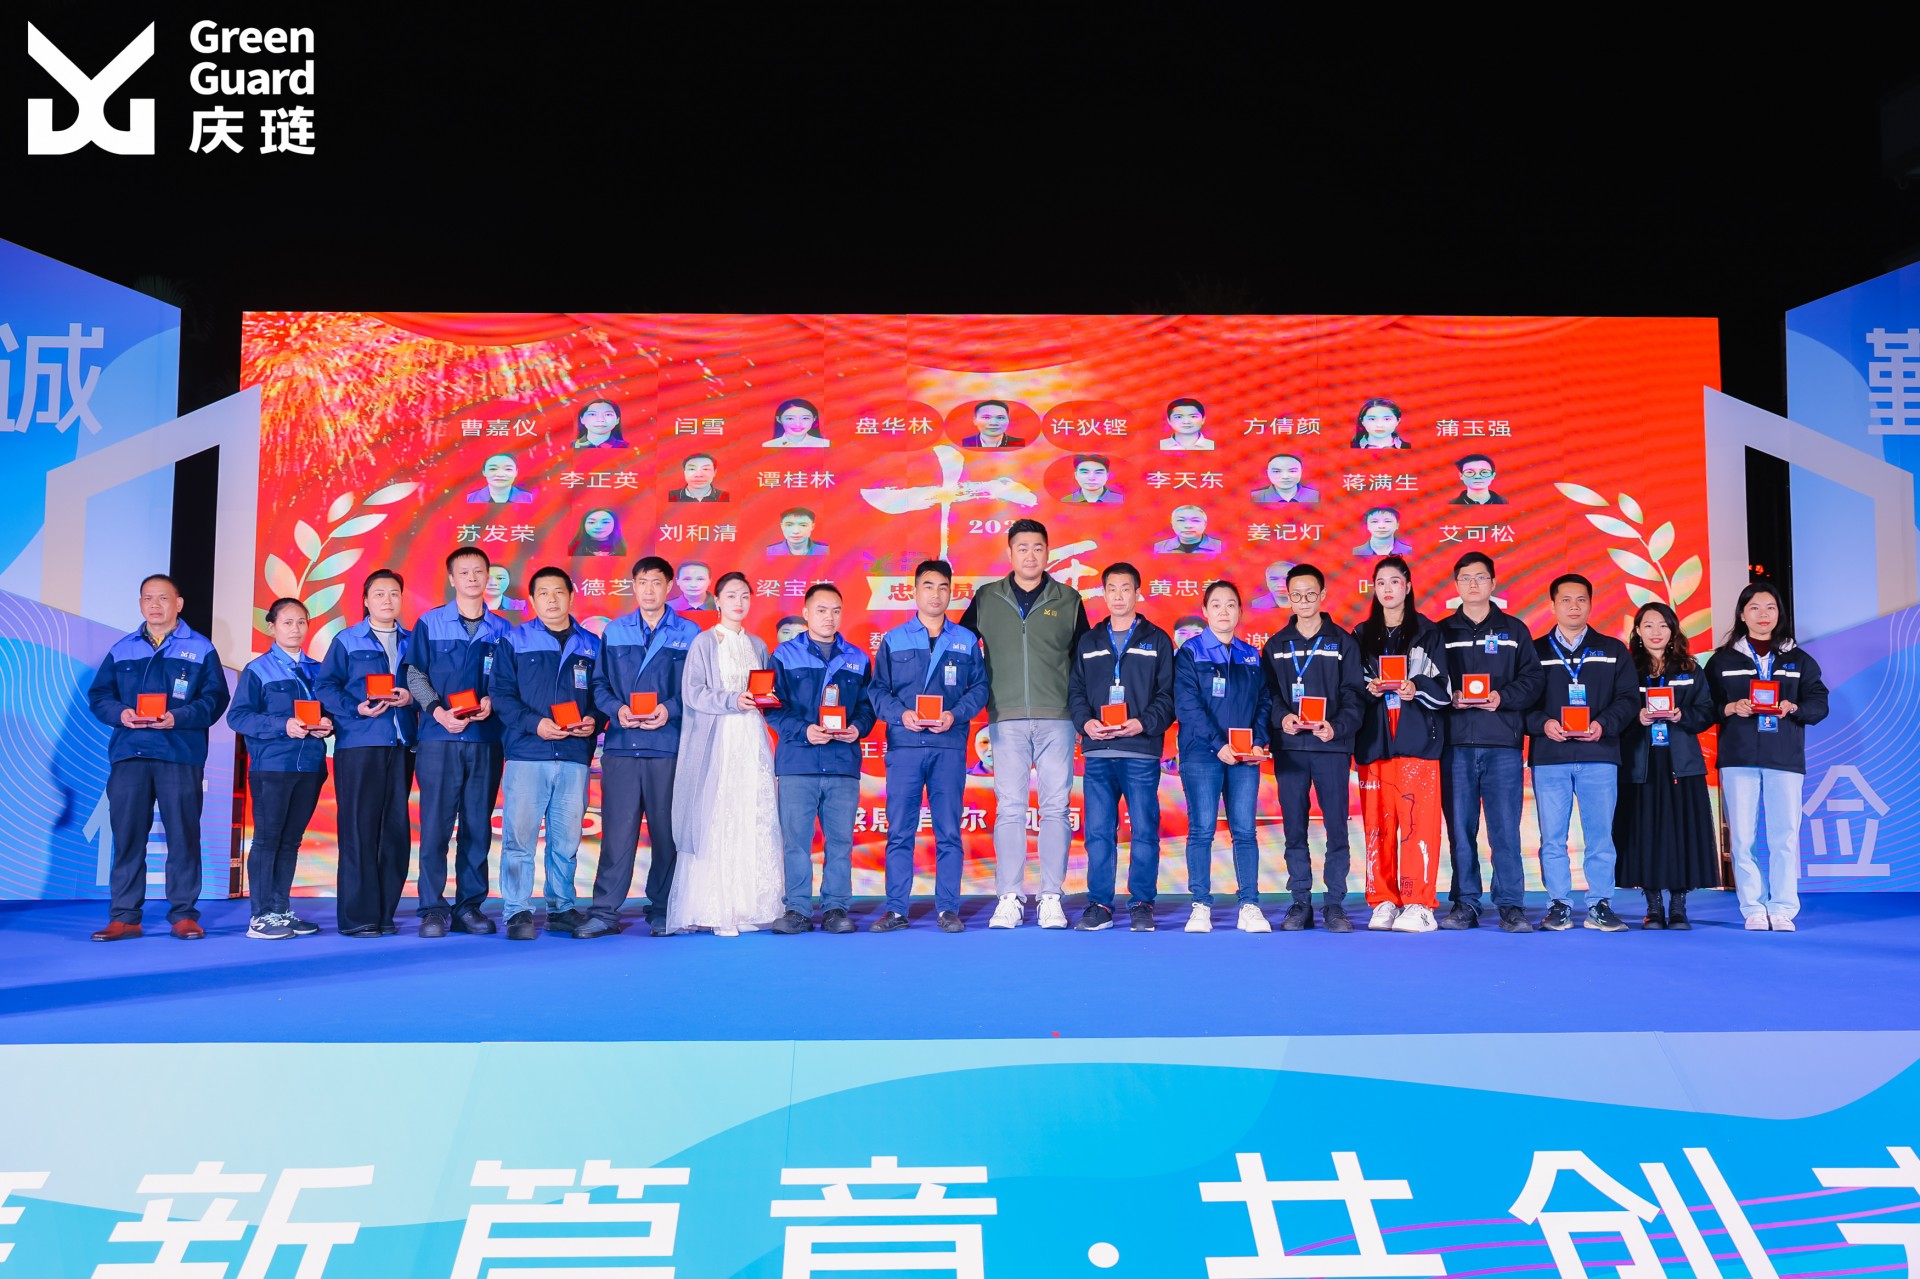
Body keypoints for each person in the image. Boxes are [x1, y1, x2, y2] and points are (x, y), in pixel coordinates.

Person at [960, 518, 1090, 929]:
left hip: (1058, 719)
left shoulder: (1069, 600)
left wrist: (1084, 713)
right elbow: (959, 647)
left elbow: (1085, 663)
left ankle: (1051, 896)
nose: (1030, 555)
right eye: (1022, 548)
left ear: (1047, 552)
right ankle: (1009, 897)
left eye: (1037, 547)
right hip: (1005, 718)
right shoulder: (987, 598)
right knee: (1010, 809)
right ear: (1010, 552)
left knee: (1055, 809)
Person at [86, 574, 231, 941]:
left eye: (163, 598)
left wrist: (177, 717)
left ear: (178, 604)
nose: (154, 604)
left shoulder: (200, 648)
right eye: (147, 598)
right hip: (130, 754)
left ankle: (183, 914)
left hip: (179, 753)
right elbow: (99, 696)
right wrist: (120, 714)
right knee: (128, 837)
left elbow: (215, 698)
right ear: (140, 604)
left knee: (184, 836)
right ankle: (124, 917)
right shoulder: (122, 649)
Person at [580, 555, 701, 939]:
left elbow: (697, 687)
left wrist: (670, 709)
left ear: (669, 587)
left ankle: (664, 909)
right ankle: (604, 912)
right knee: (617, 834)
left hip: (667, 746)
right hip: (622, 746)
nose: (649, 590)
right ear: (633, 586)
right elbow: (599, 685)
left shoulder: (689, 632)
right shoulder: (615, 631)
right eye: (642, 582)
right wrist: (617, 710)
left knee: (667, 835)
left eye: (656, 583)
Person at [869, 560, 988, 932]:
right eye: (928, 586)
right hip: (905, 745)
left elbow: (979, 689)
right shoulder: (894, 639)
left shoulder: (965, 640)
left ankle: (948, 909)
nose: (935, 594)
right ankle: (896, 910)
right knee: (899, 831)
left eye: (943, 587)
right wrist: (901, 715)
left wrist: (954, 715)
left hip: (948, 745)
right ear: (915, 591)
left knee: (949, 831)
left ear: (951, 592)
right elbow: (878, 691)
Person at [1706, 580, 1830, 932]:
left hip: (1784, 759)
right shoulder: (1722, 660)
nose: (1763, 615)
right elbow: (1703, 706)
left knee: (1784, 836)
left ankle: (1783, 908)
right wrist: (1731, 707)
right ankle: (1753, 908)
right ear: (1742, 614)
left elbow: (1819, 703)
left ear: (1780, 614)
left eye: (1770, 608)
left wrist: (1794, 707)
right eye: (1755, 608)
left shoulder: (1798, 659)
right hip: (1738, 758)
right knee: (1742, 838)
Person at [490, 566, 605, 940]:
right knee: (519, 839)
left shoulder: (591, 645)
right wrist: (534, 724)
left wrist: (594, 719)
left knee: (566, 840)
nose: (552, 599)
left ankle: (561, 907)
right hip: (528, 754)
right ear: (532, 599)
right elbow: (501, 695)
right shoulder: (515, 640)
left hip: (573, 755)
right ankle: (517, 910)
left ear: (571, 595)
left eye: (559, 592)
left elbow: (602, 694)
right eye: (543, 593)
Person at [667, 571, 784, 935]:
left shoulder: (758, 645)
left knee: (752, 816)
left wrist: (765, 699)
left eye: (745, 596)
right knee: (719, 816)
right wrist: (733, 699)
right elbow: (693, 693)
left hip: (752, 738)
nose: (739, 602)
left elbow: (765, 691)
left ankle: (745, 907)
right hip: (719, 739)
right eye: (731, 596)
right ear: (717, 601)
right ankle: (717, 911)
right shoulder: (704, 643)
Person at [404, 547, 512, 937]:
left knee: (477, 827)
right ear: (452, 579)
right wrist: (437, 712)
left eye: (478, 571)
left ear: (488, 578)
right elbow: (414, 674)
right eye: (463, 572)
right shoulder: (430, 623)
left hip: (485, 740)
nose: (472, 578)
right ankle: (433, 908)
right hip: (439, 739)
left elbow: (509, 681)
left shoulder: (503, 630)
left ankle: (469, 907)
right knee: (435, 827)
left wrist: (492, 701)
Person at [1524, 573, 1638, 932]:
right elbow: (1520, 701)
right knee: (1552, 839)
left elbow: (1628, 699)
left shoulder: (1612, 650)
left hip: (1599, 755)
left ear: (1591, 604)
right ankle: (1558, 904)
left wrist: (1604, 724)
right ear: (1552, 605)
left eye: (1581, 600)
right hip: (1551, 756)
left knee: (1600, 837)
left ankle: (1600, 904)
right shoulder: (1535, 651)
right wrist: (1543, 724)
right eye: (1566, 600)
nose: (1574, 606)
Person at [1437, 551, 1544, 932]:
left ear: (1493, 583)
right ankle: (1465, 903)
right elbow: (1428, 681)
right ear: (1456, 585)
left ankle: (1511, 905)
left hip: (1502, 745)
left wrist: (1502, 697)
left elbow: (1533, 680)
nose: (1473, 584)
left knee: (1505, 830)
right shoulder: (1441, 632)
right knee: (1460, 831)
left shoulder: (1514, 630)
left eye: (1480, 577)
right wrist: (1449, 696)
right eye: (1466, 578)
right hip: (1455, 745)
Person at [1068, 563, 1176, 931]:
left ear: (1137, 593)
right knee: (1098, 832)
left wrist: (1143, 722)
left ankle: (1142, 902)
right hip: (1098, 752)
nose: (1118, 595)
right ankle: (1099, 903)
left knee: (1144, 829)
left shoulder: (1157, 639)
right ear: (1103, 593)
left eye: (1125, 588)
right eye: (1111, 588)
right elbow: (1076, 691)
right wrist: (1085, 723)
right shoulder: (1089, 641)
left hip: (1140, 750)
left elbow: (1168, 694)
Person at [767, 584, 876, 934]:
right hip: (798, 763)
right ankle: (797, 910)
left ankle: (835, 908)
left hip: (842, 763)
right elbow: (771, 707)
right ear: (806, 613)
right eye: (821, 610)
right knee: (796, 843)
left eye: (836, 611)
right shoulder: (784, 656)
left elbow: (868, 707)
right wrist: (804, 731)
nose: (829, 617)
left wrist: (857, 728)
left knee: (840, 843)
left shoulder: (858, 658)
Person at [317, 568, 419, 938]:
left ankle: (385, 913)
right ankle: (358, 917)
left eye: (394, 593)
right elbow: (325, 686)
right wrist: (354, 707)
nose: (387, 600)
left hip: (402, 744)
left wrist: (410, 698)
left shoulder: (413, 641)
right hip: (359, 744)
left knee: (395, 832)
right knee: (359, 831)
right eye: (379, 594)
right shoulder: (347, 640)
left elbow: (425, 684)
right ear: (365, 600)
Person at [1351, 557, 1451, 933]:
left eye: (1395, 581)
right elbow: (1350, 690)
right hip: (1375, 744)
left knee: (1417, 824)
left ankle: (1418, 903)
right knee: (1377, 826)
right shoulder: (1361, 635)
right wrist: (1369, 688)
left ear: (1408, 587)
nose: (1388, 589)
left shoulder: (1428, 632)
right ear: (1374, 589)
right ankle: (1383, 900)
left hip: (1417, 743)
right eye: (1381, 582)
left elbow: (1445, 690)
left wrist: (1416, 687)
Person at [1262, 564, 1364, 932]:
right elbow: (1269, 695)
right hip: (1290, 749)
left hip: (1330, 747)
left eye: (1310, 594)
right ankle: (1300, 902)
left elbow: (1354, 695)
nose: (1303, 601)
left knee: (1336, 827)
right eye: (1296, 595)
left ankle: (1334, 903)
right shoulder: (1276, 645)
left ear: (1322, 595)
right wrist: (1282, 718)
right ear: (1287, 598)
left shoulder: (1343, 643)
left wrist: (1336, 727)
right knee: (1294, 828)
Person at [226, 597, 331, 941]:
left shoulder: (319, 670)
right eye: (287, 622)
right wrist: (282, 725)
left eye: (301, 622)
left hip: (310, 766)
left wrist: (328, 724)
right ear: (271, 627)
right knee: (268, 840)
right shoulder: (258, 670)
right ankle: (260, 917)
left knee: (290, 841)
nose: (295, 629)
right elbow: (238, 717)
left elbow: (331, 711)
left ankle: (281, 909)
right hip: (272, 766)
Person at [1175, 580, 1273, 933]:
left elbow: (1264, 702)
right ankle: (1201, 904)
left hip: (1245, 758)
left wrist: (1258, 741)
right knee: (1202, 830)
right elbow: (1188, 706)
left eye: (1231, 604)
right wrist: (1219, 744)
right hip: (1202, 755)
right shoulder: (1190, 653)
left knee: (1245, 831)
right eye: (1216, 605)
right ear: (1205, 611)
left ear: (1240, 612)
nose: (1224, 611)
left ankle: (1249, 904)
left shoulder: (1250, 655)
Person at [1614, 602, 1718, 930]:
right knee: (1644, 834)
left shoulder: (1690, 668)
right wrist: (1636, 717)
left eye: (1663, 625)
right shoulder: (1626, 669)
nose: (1656, 632)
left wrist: (1682, 715)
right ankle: (1653, 906)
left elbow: (1707, 711)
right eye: (1648, 625)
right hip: (1639, 765)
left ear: (1673, 630)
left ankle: (1678, 906)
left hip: (1681, 765)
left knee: (1681, 834)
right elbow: (1614, 710)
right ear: (1637, 631)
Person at [1153, 505, 1224, 556]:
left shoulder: (1221, 547)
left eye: (1195, 520)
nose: (1188, 526)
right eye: (1181, 520)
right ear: (1172, 524)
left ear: (1205, 524)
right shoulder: (1159, 548)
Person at [465, 453, 535, 504]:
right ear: (484, 472)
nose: (500, 474)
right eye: (493, 469)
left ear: (516, 472)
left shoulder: (530, 499)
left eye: (508, 469)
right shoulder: (470, 499)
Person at [1251, 454, 1319, 506]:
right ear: (1267, 473)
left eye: (1292, 471)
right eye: (1277, 471)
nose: (1285, 476)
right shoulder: (1256, 497)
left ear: (1301, 472)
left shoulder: (1315, 496)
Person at [764, 397, 829, 448]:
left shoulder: (825, 444)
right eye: (790, 418)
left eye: (805, 418)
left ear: (814, 419)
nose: (798, 424)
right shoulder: (768, 445)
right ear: (779, 419)